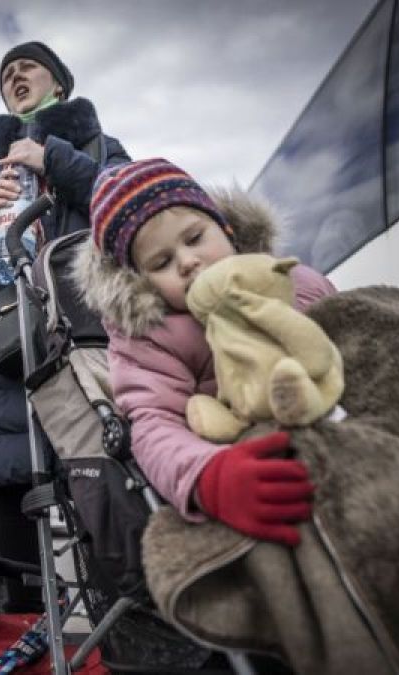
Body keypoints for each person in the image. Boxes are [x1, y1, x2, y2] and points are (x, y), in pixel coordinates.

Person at [0, 41, 129, 611]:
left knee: (100, 500)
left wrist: (55, 160)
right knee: (10, 520)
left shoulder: (98, 145)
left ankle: (115, 636)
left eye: (27, 67)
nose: (15, 77)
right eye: (6, 74)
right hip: (1, 349)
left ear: (60, 83)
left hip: (80, 339)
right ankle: (24, 639)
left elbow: (127, 207)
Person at [74, 158, 336, 545]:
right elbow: (154, 424)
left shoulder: (290, 280)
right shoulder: (152, 339)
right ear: (142, 284)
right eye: (162, 262)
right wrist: (209, 476)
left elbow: (346, 335)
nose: (187, 261)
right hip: (248, 454)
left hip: (334, 423)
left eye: (195, 238)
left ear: (226, 228)